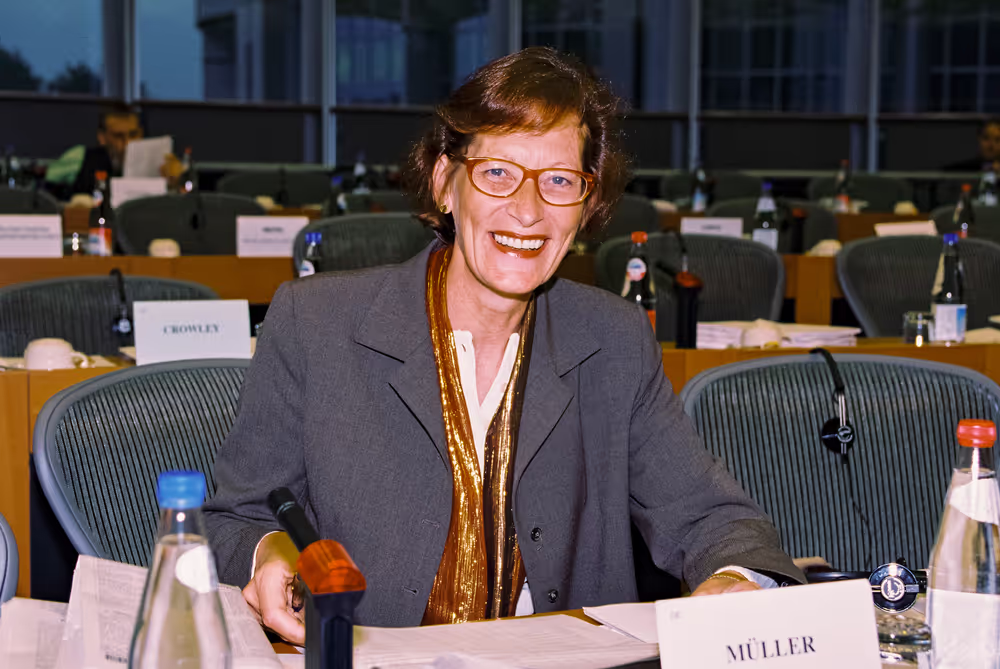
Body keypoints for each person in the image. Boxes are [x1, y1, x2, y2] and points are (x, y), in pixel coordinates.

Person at [204, 47, 803, 643]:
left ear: (587, 205)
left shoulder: (614, 339)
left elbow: (710, 516)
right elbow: (235, 517)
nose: (527, 210)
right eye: (497, 173)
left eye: (559, 181)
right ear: (445, 182)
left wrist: (738, 579)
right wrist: (268, 551)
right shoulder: (314, 323)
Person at [70, 103, 183, 195]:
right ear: (102, 137)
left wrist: (176, 183)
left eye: (133, 135)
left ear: (141, 133)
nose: (128, 143)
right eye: (118, 136)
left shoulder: (160, 163)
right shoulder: (87, 164)